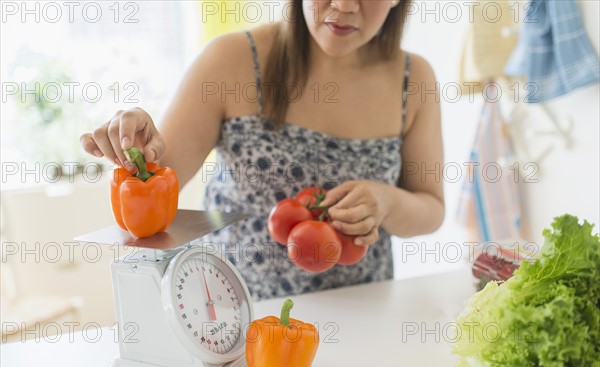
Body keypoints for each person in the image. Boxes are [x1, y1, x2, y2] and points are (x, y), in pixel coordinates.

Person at [80, 0, 444, 301]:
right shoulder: (230, 60)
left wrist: (387, 201)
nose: (345, 5)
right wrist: (138, 153)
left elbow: (432, 208)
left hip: (364, 312)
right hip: (233, 318)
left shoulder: (415, 79)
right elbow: (155, 190)